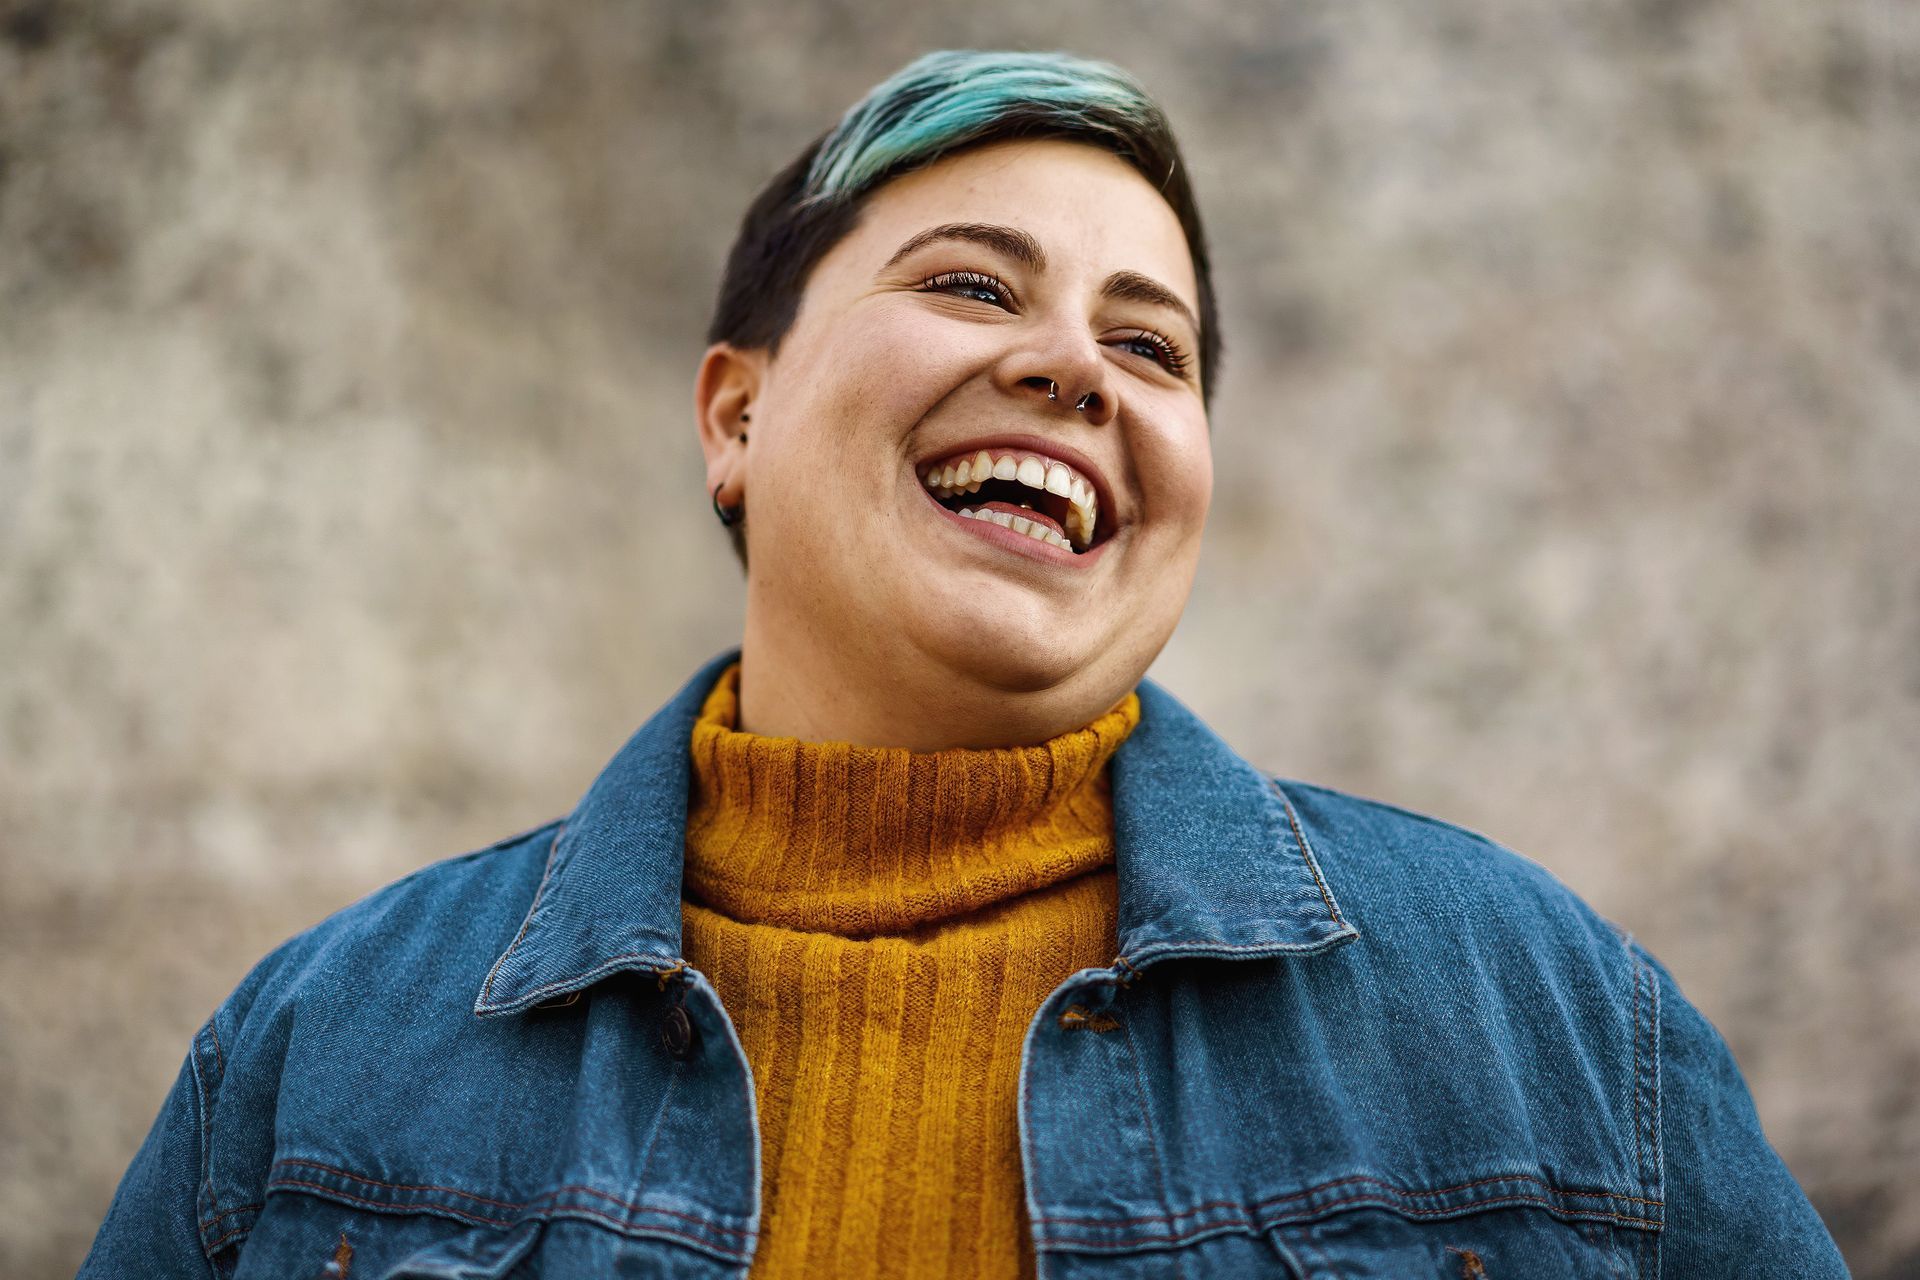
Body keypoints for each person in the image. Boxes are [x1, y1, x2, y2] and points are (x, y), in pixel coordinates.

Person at [81, 49, 1847, 1280]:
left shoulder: (1537, 1017)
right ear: (737, 414)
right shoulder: (323, 1056)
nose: (1078, 368)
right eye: (977, 289)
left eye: (1148, 346)